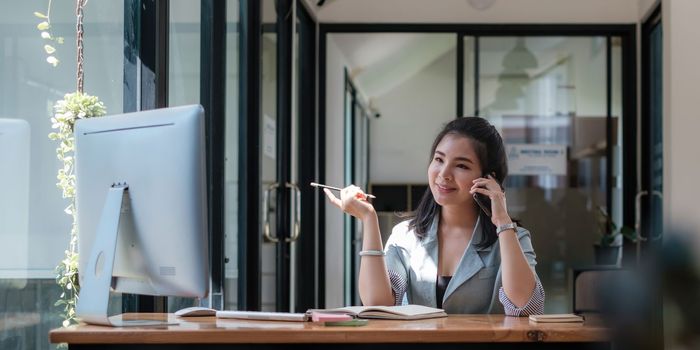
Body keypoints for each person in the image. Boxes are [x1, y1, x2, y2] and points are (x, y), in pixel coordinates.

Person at [324, 117, 545, 315]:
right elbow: (378, 303)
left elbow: (526, 305)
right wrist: (369, 219)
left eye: (461, 165)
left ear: (488, 179)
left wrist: (503, 223)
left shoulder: (513, 238)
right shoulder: (406, 236)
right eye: (439, 160)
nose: (443, 174)